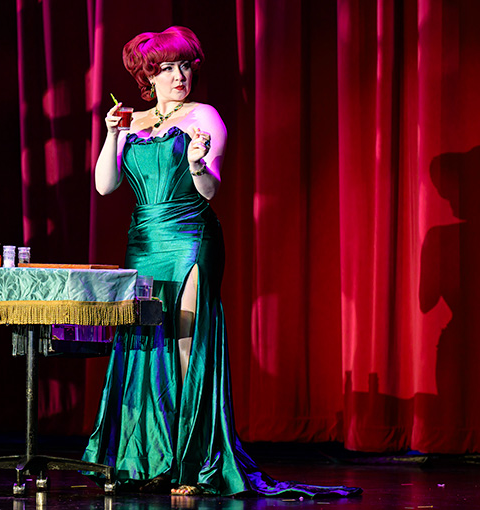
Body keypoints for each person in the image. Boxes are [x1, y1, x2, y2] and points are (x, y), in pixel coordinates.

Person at [82, 26, 361, 498]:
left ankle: (193, 464)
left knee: (187, 341)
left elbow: (210, 189)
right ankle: (147, 459)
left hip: (191, 237)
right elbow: (105, 186)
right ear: (148, 77)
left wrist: (196, 162)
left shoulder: (203, 116)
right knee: (145, 345)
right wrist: (111, 135)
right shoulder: (132, 121)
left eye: (185, 66)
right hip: (144, 242)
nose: (179, 76)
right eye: (167, 69)